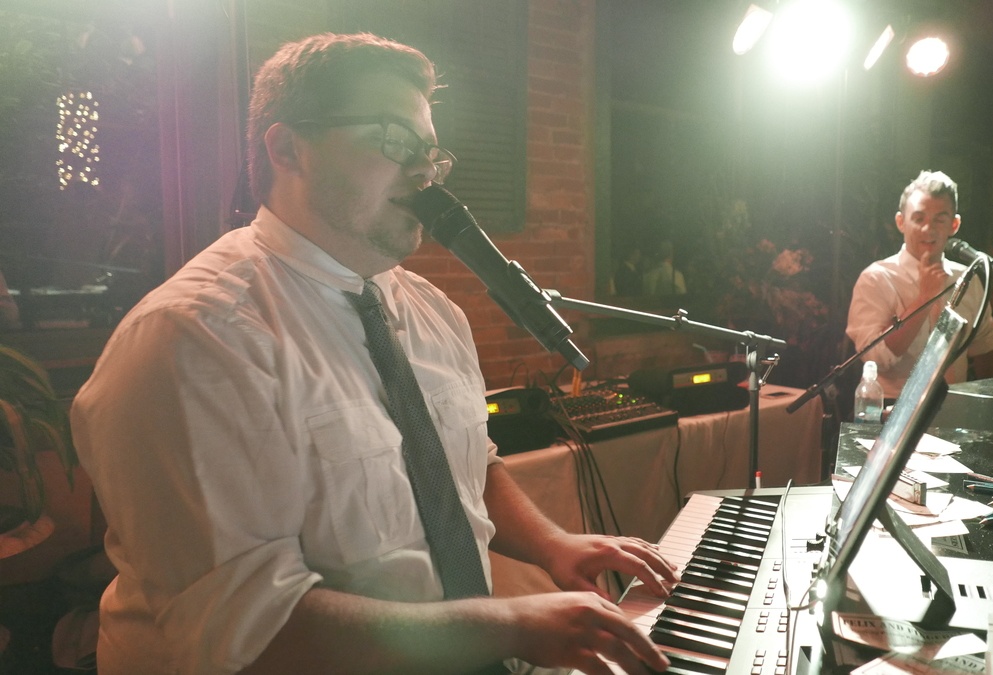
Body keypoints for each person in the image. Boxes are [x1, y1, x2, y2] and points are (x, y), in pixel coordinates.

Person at [71, 33, 677, 675]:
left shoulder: (434, 311)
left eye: (431, 154)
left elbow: (467, 463)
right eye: (394, 142)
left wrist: (555, 546)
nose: (424, 173)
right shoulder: (192, 339)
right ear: (287, 149)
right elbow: (250, 632)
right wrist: (507, 624)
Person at [845, 170, 993, 400]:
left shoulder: (967, 279)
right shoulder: (877, 278)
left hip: (953, 408)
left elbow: (986, 345)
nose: (929, 229)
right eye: (919, 218)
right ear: (901, 222)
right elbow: (877, 358)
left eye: (940, 219)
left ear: (954, 225)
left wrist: (991, 406)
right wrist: (925, 298)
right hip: (890, 410)